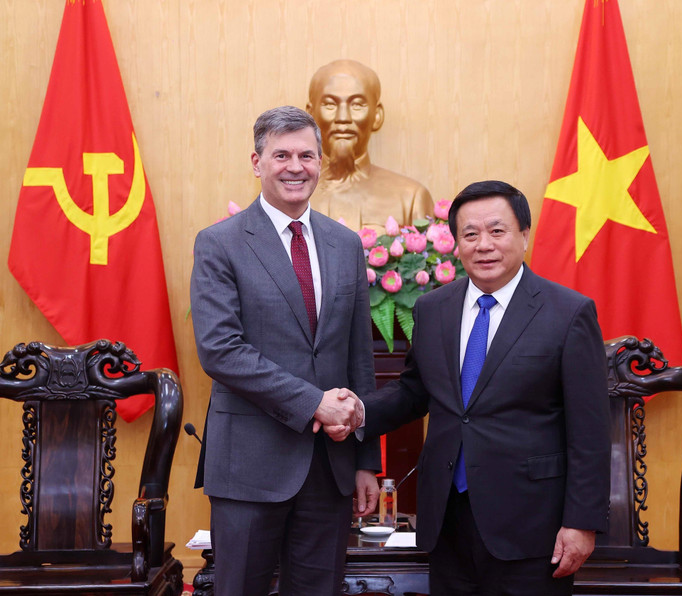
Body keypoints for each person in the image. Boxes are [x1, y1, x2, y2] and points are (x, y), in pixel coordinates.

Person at [331, 180, 611, 595]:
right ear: (457, 244)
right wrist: (359, 412)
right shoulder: (433, 308)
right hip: (447, 517)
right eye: (471, 234)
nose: (484, 245)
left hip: (532, 525)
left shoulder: (568, 313)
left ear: (524, 235)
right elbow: (414, 392)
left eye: (497, 231)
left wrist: (581, 522)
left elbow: (590, 430)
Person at [190, 105, 382, 596]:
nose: (295, 167)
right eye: (282, 155)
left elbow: (359, 357)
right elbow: (220, 350)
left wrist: (366, 460)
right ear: (257, 163)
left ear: (320, 163)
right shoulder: (220, 243)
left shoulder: (345, 244)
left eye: (306, 156)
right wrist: (314, 402)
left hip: (331, 466)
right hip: (249, 465)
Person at [306, 59, 434, 232]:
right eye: (330, 104)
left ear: (377, 115)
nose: (343, 117)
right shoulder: (285, 197)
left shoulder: (411, 198)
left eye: (357, 105)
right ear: (310, 115)